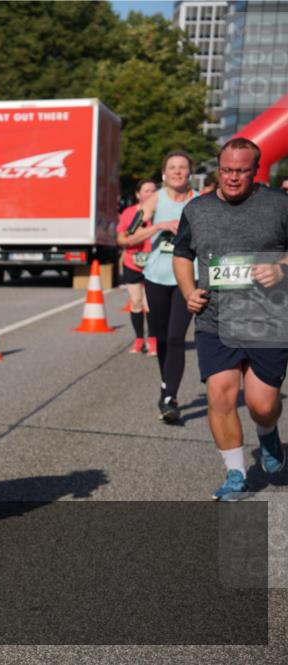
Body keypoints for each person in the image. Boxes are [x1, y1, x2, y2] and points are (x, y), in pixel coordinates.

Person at [174, 137, 288, 500]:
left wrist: (282, 268)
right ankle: (235, 475)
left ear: (256, 171)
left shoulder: (280, 205)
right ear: (217, 169)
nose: (233, 178)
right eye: (226, 170)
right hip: (215, 318)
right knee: (221, 396)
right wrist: (188, 290)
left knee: (261, 404)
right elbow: (181, 254)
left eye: (241, 171)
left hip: (267, 317)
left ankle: (268, 434)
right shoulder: (197, 209)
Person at [139, 151, 197, 423]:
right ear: (164, 174)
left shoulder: (200, 201)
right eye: (172, 168)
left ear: (189, 173)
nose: (177, 172)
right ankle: (166, 384)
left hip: (187, 279)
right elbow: (128, 236)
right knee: (161, 337)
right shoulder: (155, 199)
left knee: (176, 338)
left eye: (182, 168)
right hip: (156, 276)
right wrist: (159, 226)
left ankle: (170, 397)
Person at [116, 178, 158, 354]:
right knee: (136, 302)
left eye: (153, 191)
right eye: (146, 190)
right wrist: (133, 238)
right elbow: (121, 238)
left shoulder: (160, 213)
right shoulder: (128, 213)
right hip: (132, 262)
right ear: (138, 194)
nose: (150, 194)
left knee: (151, 305)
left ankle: (153, 340)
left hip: (154, 263)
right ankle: (139, 338)